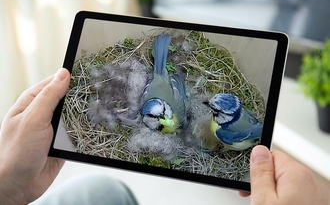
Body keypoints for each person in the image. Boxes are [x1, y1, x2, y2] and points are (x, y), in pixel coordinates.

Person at [0, 68, 329, 205]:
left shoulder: (226, 130)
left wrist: (10, 187)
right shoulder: (160, 118)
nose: (169, 118)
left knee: (105, 188)